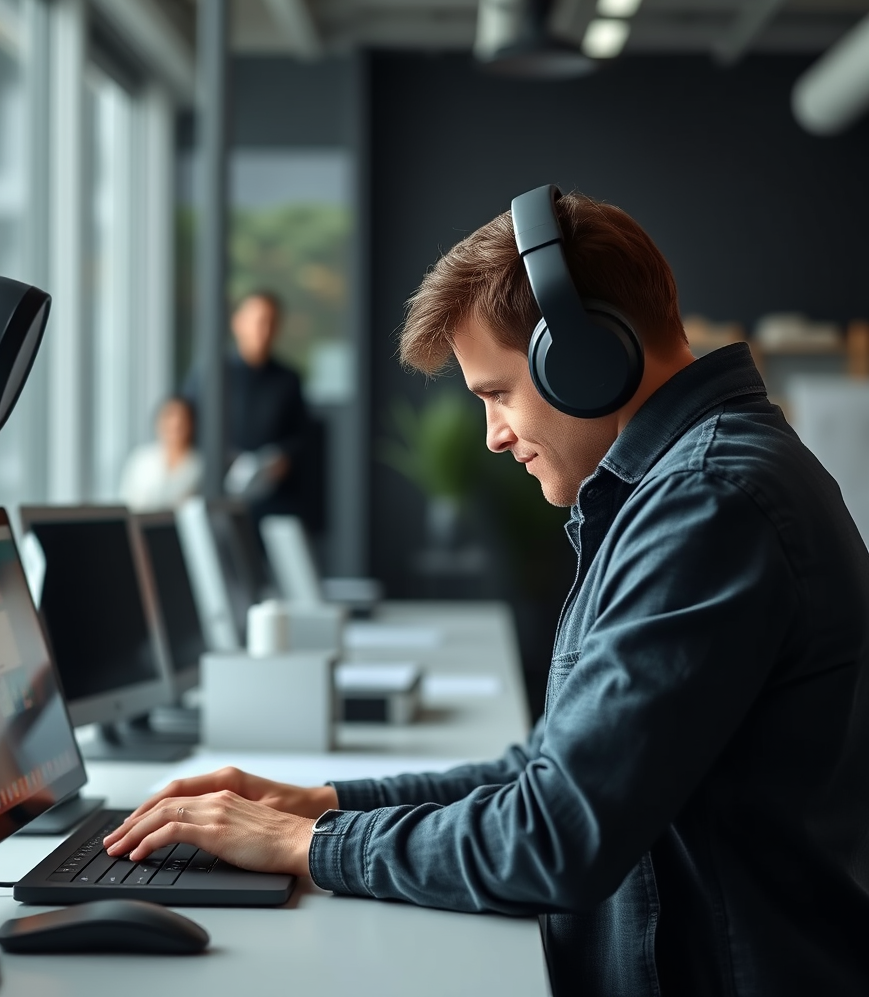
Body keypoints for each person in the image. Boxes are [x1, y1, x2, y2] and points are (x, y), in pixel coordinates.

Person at [105, 191, 869, 995]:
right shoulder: (679, 487)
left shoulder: (707, 502)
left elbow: (555, 837)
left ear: (583, 359)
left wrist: (309, 845)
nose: (494, 434)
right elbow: (548, 771)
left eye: (498, 393)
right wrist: (318, 802)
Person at [183, 291, 310, 520]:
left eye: (271, 322)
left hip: (273, 495)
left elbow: (300, 435)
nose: (264, 330)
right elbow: (189, 425)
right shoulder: (211, 374)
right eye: (258, 321)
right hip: (218, 488)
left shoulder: (288, 379)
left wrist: (282, 460)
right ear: (238, 323)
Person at [118, 395, 203, 510]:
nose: (175, 424)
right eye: (169, 417)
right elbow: (127, 502)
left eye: (182, 420)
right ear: (158, 422)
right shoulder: (141, 459)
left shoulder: (199, 464)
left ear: (191, 424)